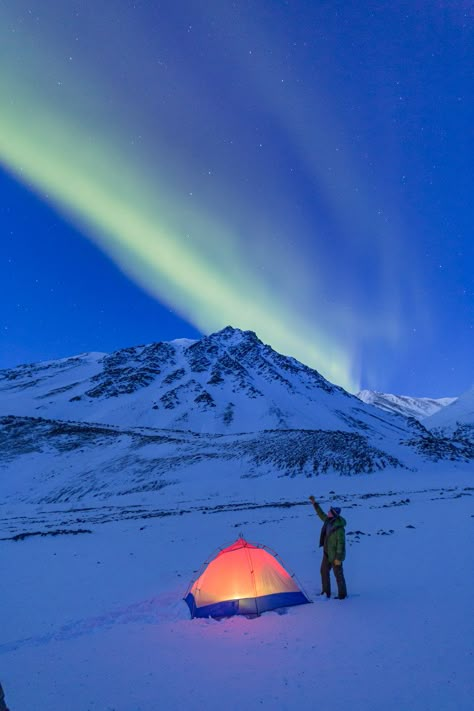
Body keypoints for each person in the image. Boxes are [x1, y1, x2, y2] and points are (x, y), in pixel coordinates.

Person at [309, 495, 347, 599]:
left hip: (335, 556)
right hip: (327, 553)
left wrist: (338, 558)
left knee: (338, 575)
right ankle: (326, 592)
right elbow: (321, 514)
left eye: (330, 511)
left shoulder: (339, 529)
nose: (328, 512)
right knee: (324, 571)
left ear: (334, 515)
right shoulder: (328, 520)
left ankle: (342, 595)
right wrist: (314, 503)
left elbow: (341, 544)